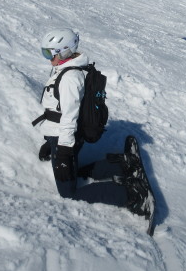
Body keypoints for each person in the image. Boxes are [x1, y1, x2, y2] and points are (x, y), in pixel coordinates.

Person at [35, 28, 149, 213]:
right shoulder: (65, 68)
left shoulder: (69, 78)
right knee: (73, 171)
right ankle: (120, 166)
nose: (47, 57)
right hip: (62, 134)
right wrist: (50, 142)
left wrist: (62, 150)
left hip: (65, 136)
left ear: (64, 51)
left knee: (68, 193)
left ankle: (129, 193)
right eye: (44, 51)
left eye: (49, 52)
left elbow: (69, 116)